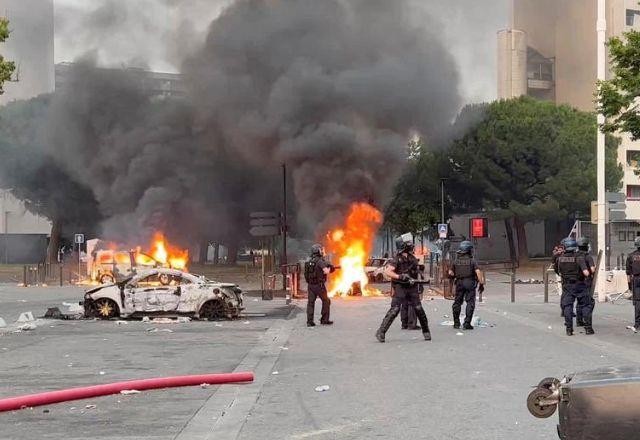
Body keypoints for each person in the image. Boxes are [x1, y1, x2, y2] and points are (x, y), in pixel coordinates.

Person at [375, 236, 431, 342]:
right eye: (408, 243)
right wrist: (400, 277)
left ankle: (426, 332)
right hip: (400, 287)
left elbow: (416, 272)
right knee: (395, 309)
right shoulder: (397, 259)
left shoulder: (412, 258)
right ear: (403, 246)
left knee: (419, 308)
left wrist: (420, 279)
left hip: (412, 286)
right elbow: (388, 271)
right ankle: (381, 332)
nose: (411, 245)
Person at [554, 238, 592, 336]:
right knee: (586, 305)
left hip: (567, 285)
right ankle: (588, 328)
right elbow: (586, 273)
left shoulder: (559, 259)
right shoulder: (579, 258)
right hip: (580, 284)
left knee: (568, 306)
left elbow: (558, 272)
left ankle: (569, 329)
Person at [448, 241, 484, 330]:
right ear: (469, 251)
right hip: (470, 283)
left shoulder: (456, 261)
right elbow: (478, 272)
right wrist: (481, 284)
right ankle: (466, 323)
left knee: (457, 303)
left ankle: (456, 323)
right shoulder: (472, 261)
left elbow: (450, 273)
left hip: (459, 283)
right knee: (470, 303)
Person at [304, 244, 335, 327]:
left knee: (310, 303)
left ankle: (309, 322)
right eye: (321, 250)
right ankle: (324, 320)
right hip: (319, 286)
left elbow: (305, 274)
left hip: (310, 286)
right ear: (318, 251)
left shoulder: (308, 261)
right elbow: (326, 271)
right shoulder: (320, 261)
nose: (322, 251)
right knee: (326, 301)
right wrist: (330, 268)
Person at [576, 237, 596, 327]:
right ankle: (587, 322)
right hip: (585, 282)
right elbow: (591, 270)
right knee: (588, 302)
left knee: (579, 301)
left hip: (575, 282)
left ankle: (579, 321)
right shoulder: (588, 257)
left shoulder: (575, 256)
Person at [625, 237, 640, 332]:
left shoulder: (630, 256)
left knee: (638, 302)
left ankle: (637, 324)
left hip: (636, 279)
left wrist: (629, 287)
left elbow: (628, 274)